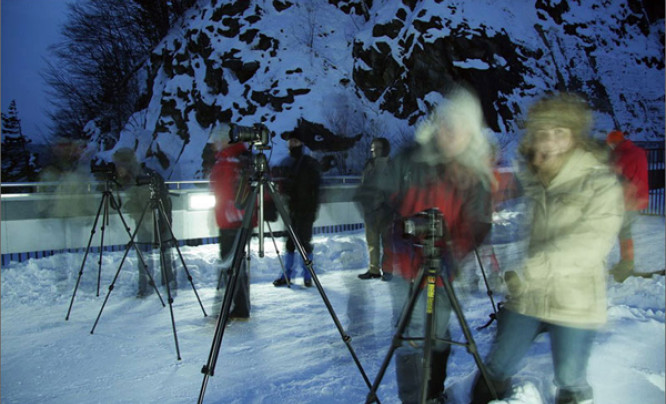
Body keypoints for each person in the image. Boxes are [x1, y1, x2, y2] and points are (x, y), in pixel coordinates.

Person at [470, 93, 624, 404]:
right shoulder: (534, 176)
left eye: (560, 133)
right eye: (543, 133)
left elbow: (591, 243)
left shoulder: (599, 182)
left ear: (574, 137)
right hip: (529, 295)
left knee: (570, 378)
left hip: (574, 299)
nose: (550, 142)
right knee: (496, 368)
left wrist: (532, 269)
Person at [374, 86, 494, 403]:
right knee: (411, 335)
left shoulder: (474, 174)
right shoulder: (411, 158)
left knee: (437, 331)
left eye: (458, 127)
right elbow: (376, 196)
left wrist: (454, 251)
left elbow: (479, 223)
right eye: (446, 124)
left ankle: (433, 391)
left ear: (469, 133)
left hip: (442, 266)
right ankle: (415, 399)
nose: (449, 132)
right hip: (402, 265)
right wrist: (394, 227)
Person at [111, 147, 176, 297]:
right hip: (144, 219)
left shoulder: (144, 177)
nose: (117, 169)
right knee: (144, 253)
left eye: (119, 165)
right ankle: (147, 286)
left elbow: (150, 202)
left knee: (164, 250)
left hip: (159, 217)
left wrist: (130, 205)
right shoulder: (128, 179)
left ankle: (168, 285)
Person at [209, 123, 253, 319]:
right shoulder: (234, 159)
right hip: (234, 220)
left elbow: (231, 191)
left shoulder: (232, 161)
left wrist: (232, 213)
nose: (214, 145)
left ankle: (235, 306)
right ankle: (239, 305)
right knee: (235, 265)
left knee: (232, 265)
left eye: (217, 140)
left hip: (233, 221)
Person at [272, 128, 321, 288]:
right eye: (290, 141)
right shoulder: (287, 162)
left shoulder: (308, 163)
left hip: (305, 209)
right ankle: (291, 274)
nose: (292, 144)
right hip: (292, 209)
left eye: (295, 141)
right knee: (290, 243)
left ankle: (307, 275)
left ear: (301, 143)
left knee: (304, 243)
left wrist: (313, 209)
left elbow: (316, 188)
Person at [606, 129, 649, 282]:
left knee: (624, 233)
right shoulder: (637, 151)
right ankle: (625, 263)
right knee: (623, 232)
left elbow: (621, 178)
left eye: (610, 144)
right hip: (635, 199)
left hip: (628, 201)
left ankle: (627, 266)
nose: (610, 147)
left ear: (615, 142)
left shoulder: (624, 155)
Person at [355, 137, 394, 280]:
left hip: (386, 210)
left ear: (384, 149)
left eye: (377, 148)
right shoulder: (369, 165)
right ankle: (374, 269)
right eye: (372, 148)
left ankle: (388, 270)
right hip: (370, 210)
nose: (374, 151)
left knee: (387, 242)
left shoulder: (391, 165)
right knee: (372, 242)